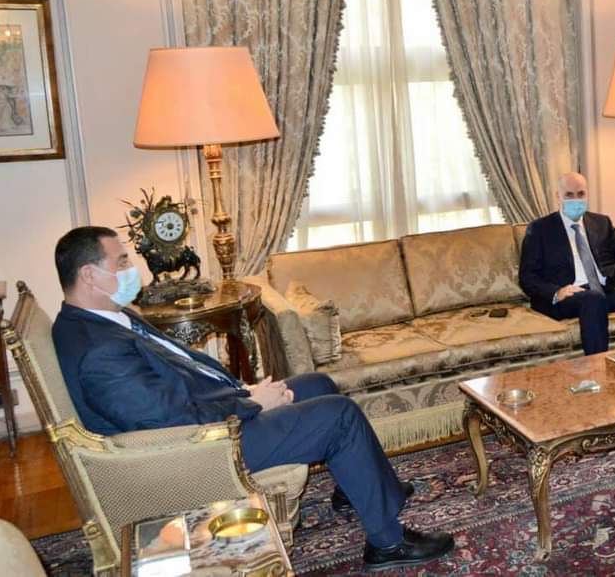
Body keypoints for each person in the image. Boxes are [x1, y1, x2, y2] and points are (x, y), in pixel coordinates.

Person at [51, 226, 453, 571]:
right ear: (89, 274)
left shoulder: (104, 318)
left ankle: (358, 489)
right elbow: (168, 420)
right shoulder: (97, 351)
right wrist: (252, 403)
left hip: (211, 417)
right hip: (199, 449)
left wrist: (243, 392)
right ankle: (387, 543)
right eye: (121, 261)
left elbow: (178, 381)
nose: (130, 268)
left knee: (319, 384)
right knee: (339, 415)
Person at [519, 172, 615, 355]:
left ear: (587, 194)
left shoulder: (601, 223)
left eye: (581, 194)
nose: (576, 200)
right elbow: (527, 276)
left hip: (604, 289)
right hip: (569, 296)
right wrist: (557, 292)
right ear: (558, 196)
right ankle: (598, 364)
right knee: (593, 299)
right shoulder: (540, 229)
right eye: (569, 195)